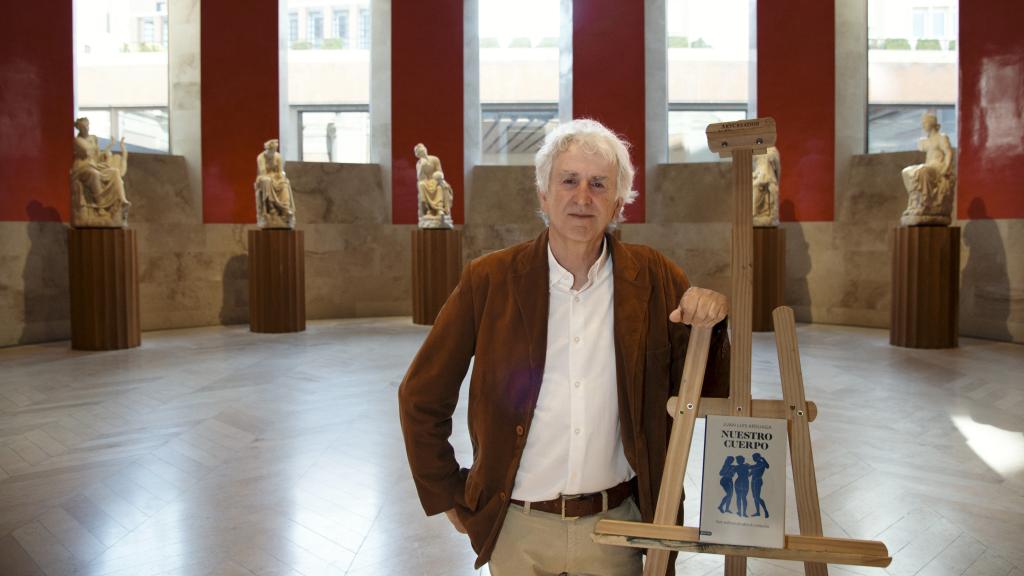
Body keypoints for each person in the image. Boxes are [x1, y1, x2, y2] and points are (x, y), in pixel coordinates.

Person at [398, 119, 731, 574]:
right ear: (543, 194)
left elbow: (709, 394)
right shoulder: (490, 279)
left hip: (619, 529)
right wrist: (447, 491)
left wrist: (709, 325)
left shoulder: (655, 277)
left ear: (618, 201)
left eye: (599, 184)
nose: (582, 197)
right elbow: (421, 395)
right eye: (569, 181)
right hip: (517, 531)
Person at [70, 117, 131, 226]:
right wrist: (97, 154)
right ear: (79, 128)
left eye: (87, 126)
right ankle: (101, 206)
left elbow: (98, 154)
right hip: (82, 167)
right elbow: (87, 151)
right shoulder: (77, 140)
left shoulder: (93, 138)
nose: (86, 129)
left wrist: (108, 150)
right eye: (83, 127)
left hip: (95, 164)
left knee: (114, 172)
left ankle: (122, 201)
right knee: (94, 174)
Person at [900, 112, 955, 226]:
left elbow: (948, 152)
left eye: (925, 122)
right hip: (929, 165)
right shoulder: (925, 141)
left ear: (932, 123)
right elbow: (922, 148)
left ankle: (925, 202)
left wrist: (946, 167)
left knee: (922, 171)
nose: (923, 125)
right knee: (906, 172)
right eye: (923, 123)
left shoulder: (942, 137)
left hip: (937, 166)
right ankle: (915, 201)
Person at [254, 139, 295, 228]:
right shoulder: (261, 157)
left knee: (285, 183)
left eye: (274, 150)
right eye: (271, 150)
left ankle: (285, 209)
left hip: (276, 177)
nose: (273, 152)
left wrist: (281, 178)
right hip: (264, 178)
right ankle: (272, 207)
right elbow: (262, 172)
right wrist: (271, 178)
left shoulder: (278, 156)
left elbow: (280, 172)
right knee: (267, 181)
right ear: (267, 149)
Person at [750, 453, 770, 518]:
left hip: (757, 481)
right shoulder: (755, 465)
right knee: (755, 497)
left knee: (757, 497)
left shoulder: (761, 464)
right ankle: (758, 512)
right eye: (753, 458)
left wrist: (763, 459)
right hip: (753, 482)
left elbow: (767, 466)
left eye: (754, 457)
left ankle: (765, 511)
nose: (753, 459)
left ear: (758, 457)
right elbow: (749, 474)